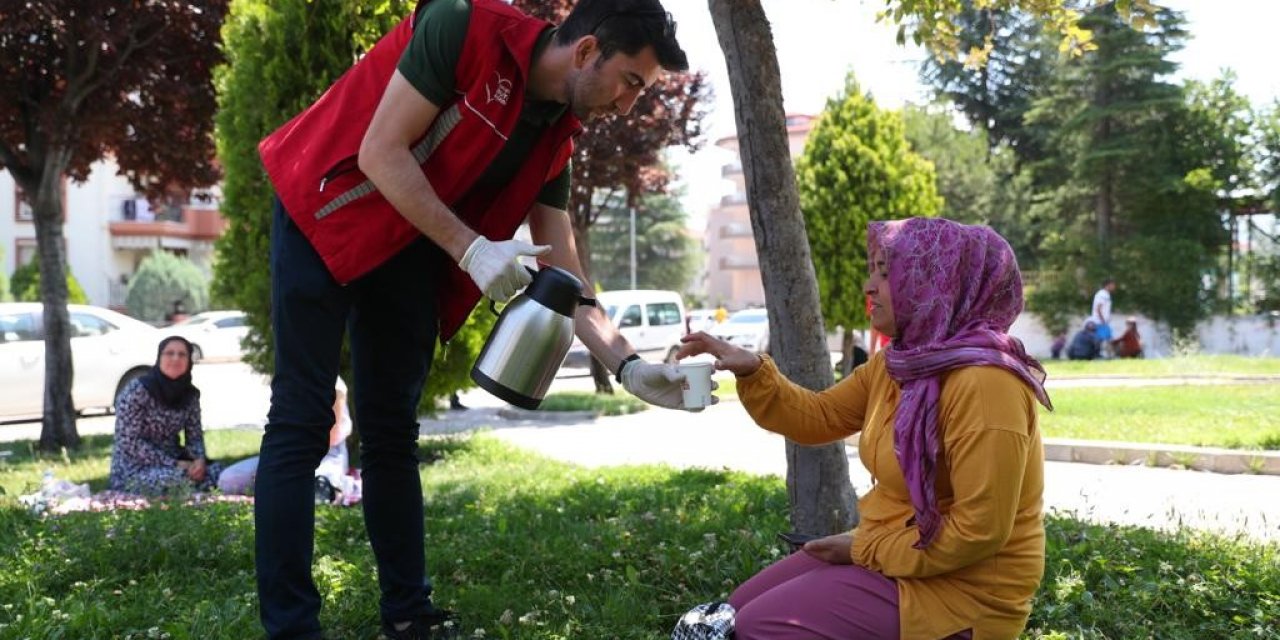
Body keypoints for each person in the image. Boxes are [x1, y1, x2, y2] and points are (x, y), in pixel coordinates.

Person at [253, 1, 692, 638]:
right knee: (301, 418)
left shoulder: (554, 139)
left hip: (406, 243)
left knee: (391, 432)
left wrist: (628, 365)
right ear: (589, 50)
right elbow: (380, 152)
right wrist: (471, 249)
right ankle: (292, 628)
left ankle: (409, 615)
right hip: (325, 206)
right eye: (631, 83)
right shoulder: (463, 24)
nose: (627, 107)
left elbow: (566, 277)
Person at [677, 218, 1052, 640]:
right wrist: (752, 370)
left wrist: (863, 549)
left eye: (887, 273)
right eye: (872, 269)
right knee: (727, 615)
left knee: (759, 627)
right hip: (900, 552)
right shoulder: (897, 365)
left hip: (966, 591)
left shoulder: (986, 384)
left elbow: (978, 532)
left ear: (937, 280)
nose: (869, 286)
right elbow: (818, 417)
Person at [108, 336, 224, 495]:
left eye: (182, 354)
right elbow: (129, 442)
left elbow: (194, 436)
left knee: (217, 473)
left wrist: (199, 461)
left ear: (189, 361)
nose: (176, 358)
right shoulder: (137, 391)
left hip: (177, 460)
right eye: (169, 353)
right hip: (135, 466)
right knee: (174, 480)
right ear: (159, 358)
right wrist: (174, 463)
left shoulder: (190, 395)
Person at [218, 377, 357, 504]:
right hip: (286, 452)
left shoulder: (334, 383)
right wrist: (272, 462)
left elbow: (333, 435)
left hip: (326, 455)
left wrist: (290, 462)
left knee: (317, 482)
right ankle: (276, 483)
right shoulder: (287, 376)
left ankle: (334, 487)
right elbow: (277, 431)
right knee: (228, 479)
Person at [1090, 278, 1117, 354]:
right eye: (1113, 285)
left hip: (1102, 321)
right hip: (1100, 322)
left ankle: (1108, 355)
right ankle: (1098, 354)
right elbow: (1098, 308)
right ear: (1108, 285)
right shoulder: (1102, 294)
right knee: (1102, 339)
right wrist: (1102, 320)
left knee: (1106, 338)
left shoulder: (1105, 294)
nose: (1114, 287)